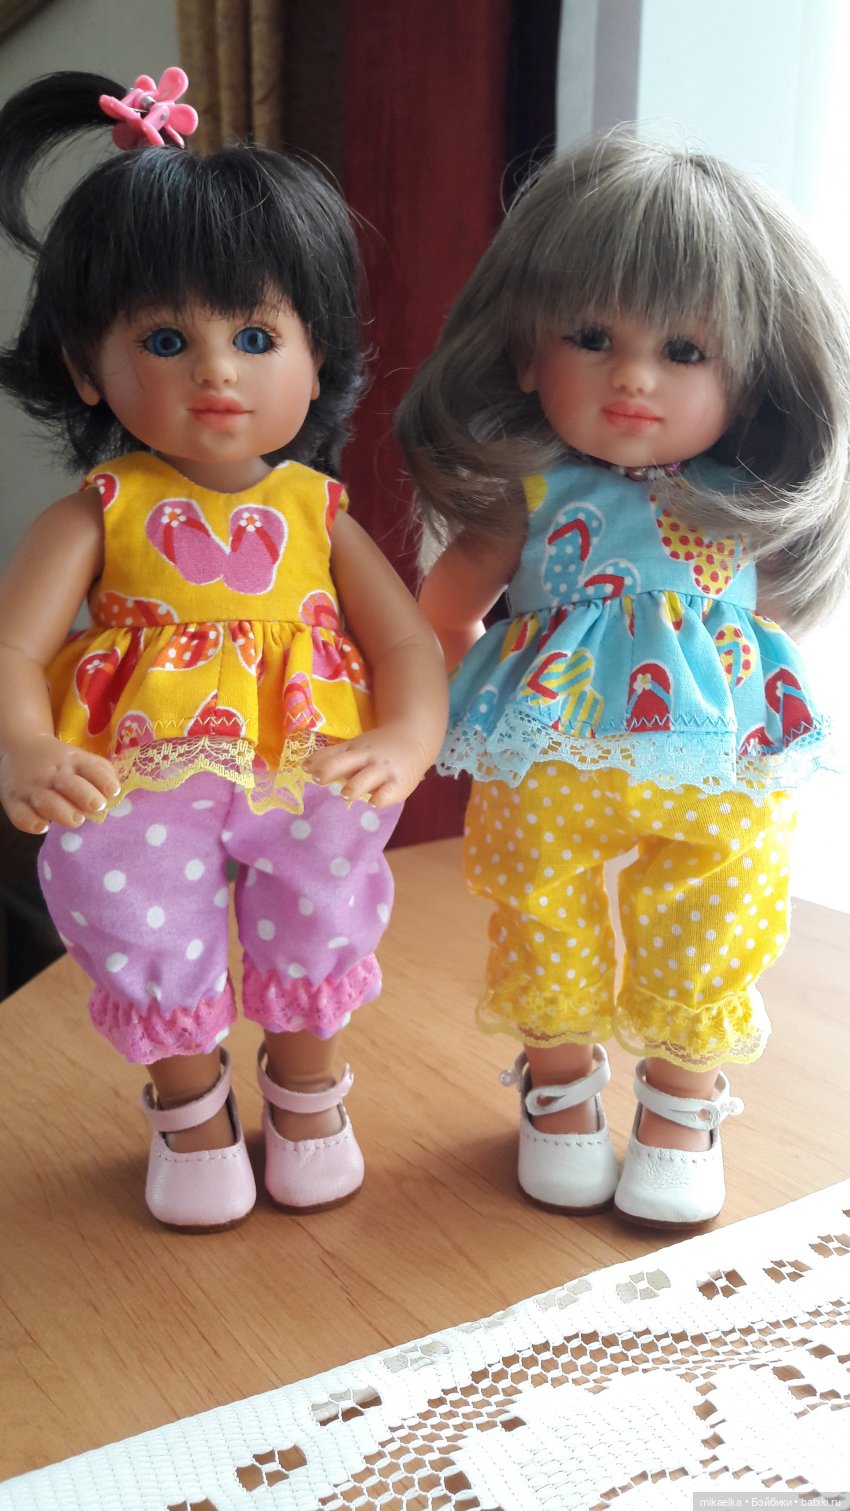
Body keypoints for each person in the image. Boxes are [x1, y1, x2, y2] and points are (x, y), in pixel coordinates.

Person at [0, 67, 447, 1232]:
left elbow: (402, 638)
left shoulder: (316, 511)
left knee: (320, 907)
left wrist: (408, 734)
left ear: (316, 356)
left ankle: (307, 1091)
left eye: (255, 334)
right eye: (165, 338)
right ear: (85, 367)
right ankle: (188, 1108)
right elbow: (14, 641)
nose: (216, 370)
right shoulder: (100, 510)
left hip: (312, 765)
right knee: (139, 915)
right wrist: (23, 743)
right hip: (135, 770)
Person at [395, 131, 850, 1229]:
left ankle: (681, 1107)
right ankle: (559, 1091)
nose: (635, 376)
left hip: (719, 767)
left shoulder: (742, 500)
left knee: (721, 910)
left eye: (685, 349)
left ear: (753, 375)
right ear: (523, 352)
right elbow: (440, 616)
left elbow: (771, 627)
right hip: (549, 758)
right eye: (592, 337)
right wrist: (441, 717)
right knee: (539, 907)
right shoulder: (530, 493)